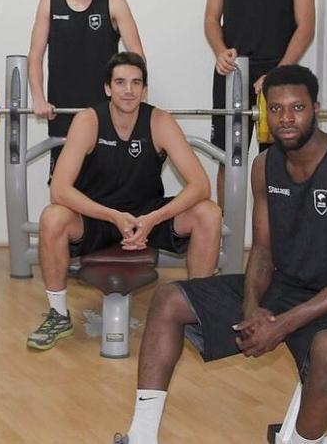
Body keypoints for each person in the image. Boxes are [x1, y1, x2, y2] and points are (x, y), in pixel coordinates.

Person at [115, 65, 327, 444]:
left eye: (297, 108)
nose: (286, 119)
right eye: (275, 109)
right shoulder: (264, 166)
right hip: (287, 284)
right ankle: (141, 435)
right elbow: (262, 249)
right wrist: (251, 305)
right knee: (168, 300)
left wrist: (283, 323)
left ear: (316, 107)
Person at [27, 52, 221, 351]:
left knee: (208, 213)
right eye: (120, 82)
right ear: (108, 88)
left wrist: (153, 219)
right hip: (98, 217)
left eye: (135, 83)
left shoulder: (159, 121)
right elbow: (61, 190)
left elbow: (200, 185)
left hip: (147, 216)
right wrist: (113, 216)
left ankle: (196, 314)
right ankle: (58, 313)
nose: (128, 90)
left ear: (144, 89)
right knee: (52, 216)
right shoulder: (88, 121)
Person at [204, 0, 315, 206]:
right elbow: (211, 19)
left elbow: (307, 26)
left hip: (276, 75)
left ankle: (275, 241)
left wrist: (278, 73)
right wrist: (221, 52)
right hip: (233, 72)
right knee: (229, 159)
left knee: (276, 162)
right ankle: (227, 240)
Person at [28, 0, 144, 177]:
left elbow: (137, 56)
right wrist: (39, 98)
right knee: (65, 187)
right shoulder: (49, 3)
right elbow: (35, 56)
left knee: (107, 186)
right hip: (63, 111)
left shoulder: (114, 1)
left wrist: (136, 95)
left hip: (106, 112)